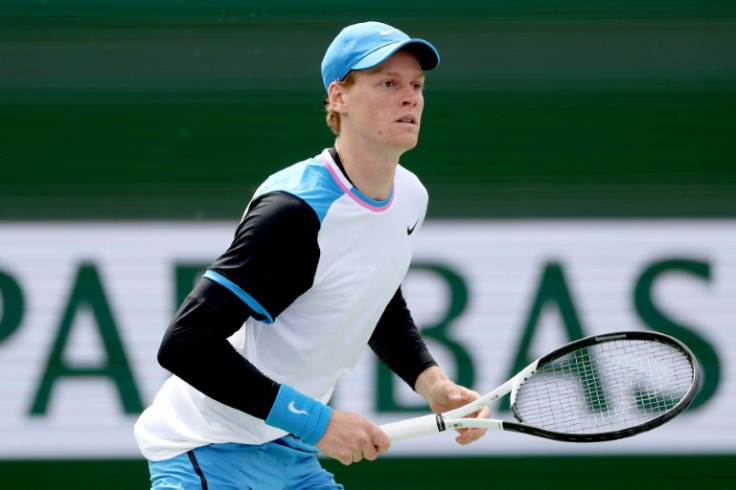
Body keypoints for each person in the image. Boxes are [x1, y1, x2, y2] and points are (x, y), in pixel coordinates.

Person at [134, 21, 490, 489]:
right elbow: (186, 343)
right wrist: (319, 423)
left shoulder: (409, 196)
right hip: (212, 450)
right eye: (388, 83)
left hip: (292, 457)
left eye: (416, 85)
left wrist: (433, 384)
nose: (410, 98)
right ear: (338, 97)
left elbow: (374, 296)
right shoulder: (295, 211)